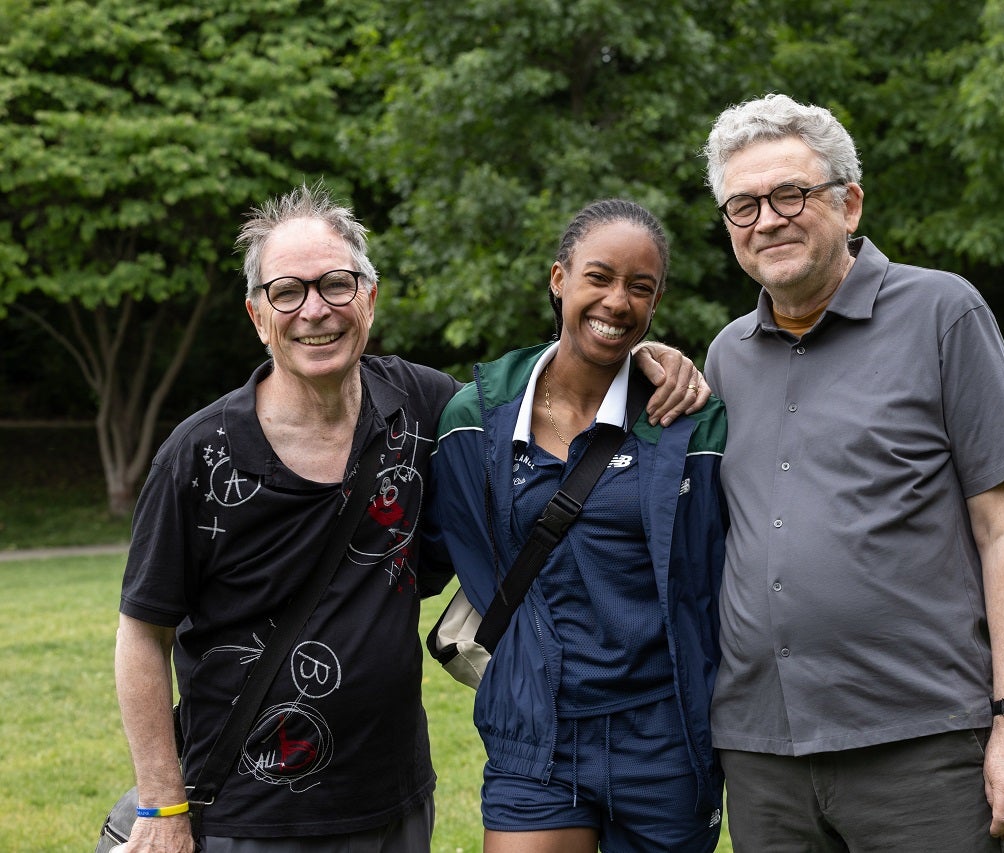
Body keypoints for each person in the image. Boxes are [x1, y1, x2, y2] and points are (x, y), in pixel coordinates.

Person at [113, 184, 710, 853]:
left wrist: (644, 361)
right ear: (258, 315)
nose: (316, 309)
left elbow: (556, 391)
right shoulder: (198, 454)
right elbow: (142, 632)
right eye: (288, 291)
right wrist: (161, 802)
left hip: (392, 802)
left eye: (336, 284)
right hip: (249, 813)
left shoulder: (426, 408)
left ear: (369, 297)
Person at [699, 93, 1004, 851]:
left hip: (920, 746)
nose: (767, 219)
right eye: (743, 205)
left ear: (849, 202)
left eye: (791, 194)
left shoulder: (943, 312)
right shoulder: (725, 354)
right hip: (764, 752)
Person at [429, 199, 728, 853]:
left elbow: (722, 569)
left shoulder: (690, 423)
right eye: (600, 276)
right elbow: (420, 545)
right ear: (559, 278)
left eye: (640, 287)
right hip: (535, 734)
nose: (617, 301)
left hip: (663, 738)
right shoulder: (475, 420)